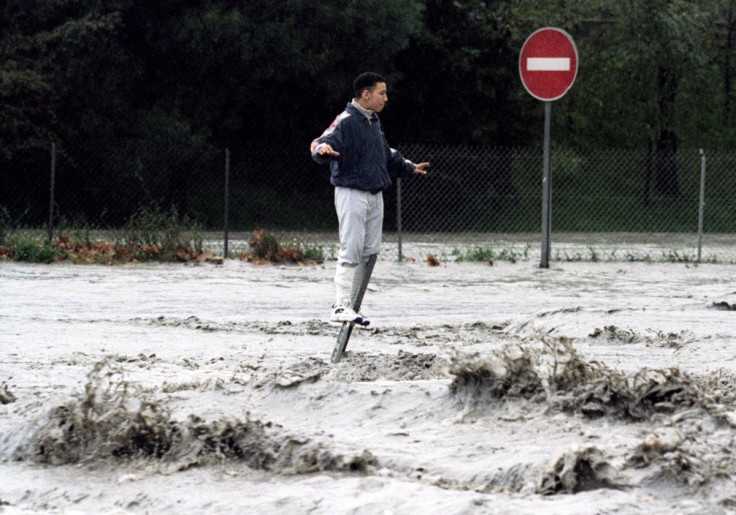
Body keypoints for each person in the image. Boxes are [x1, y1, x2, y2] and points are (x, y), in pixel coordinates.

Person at [310, 72, 429, 324]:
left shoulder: (373, 121)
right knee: (351, 248)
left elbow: (385, 153)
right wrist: (321, 150)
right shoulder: (346, 120)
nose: (386, 98)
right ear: (366, 94)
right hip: (351, 193)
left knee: (370, 252)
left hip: (375, 195)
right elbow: (320, 141)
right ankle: (340, 306)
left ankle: (354, 303)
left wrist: (408, 167)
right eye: (382, 93)